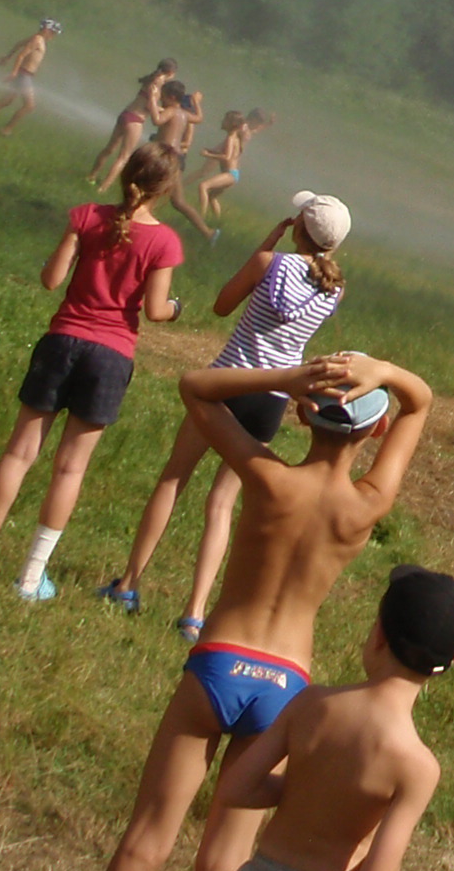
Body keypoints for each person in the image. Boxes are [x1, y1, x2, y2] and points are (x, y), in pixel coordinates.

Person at [104, 350, 435, 871]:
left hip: (217, 662)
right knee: (226, 858)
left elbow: (194, 386)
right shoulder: (365, 506)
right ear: (377, 430)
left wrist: (289, 377)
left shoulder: (266, 476)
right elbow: (420, 404)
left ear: (302, 413)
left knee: (145, 841)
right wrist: (388, 372)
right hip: (284, 685)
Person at [96, 194, 354, 632]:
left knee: (174, 478)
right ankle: (195, 614)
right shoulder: (334, 289)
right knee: (221, 503)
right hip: (272, 397)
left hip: (227, 383)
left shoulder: (269, 263)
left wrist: (264, 247)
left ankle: (129, 583)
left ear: (297, 228)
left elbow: (222, 305)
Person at [0, 144, 184, 600]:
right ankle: (31, 577)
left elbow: (51, 280)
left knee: (19, 454)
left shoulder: (86, 216)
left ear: (125, 174)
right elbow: (155, 309)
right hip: (110, 355)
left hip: (62, 339)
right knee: (69, 469)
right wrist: (176, 308)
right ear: (165, 189)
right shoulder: (164, 242)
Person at [214, 566, 454, 871]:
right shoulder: (417, 767)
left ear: (378, 636)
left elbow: (236, 788)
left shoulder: (312, 703)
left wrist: (303, 790)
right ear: (453, 658)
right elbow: (380, 869)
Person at [177, 107, 273, 240]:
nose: (258, 126)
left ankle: (201, 217)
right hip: (231, 170)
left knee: (203, 185)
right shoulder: (241, 130)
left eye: (225, 120)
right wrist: (213, 151)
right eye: (259, 122)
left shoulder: (236, 135)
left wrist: (208, 154)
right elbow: (231, 148)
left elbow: (228, 156)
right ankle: (217, 220)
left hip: (230, 172)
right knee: (211, 194)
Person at [91, 60, 177, 190]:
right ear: (171, 72)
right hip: (135, 120)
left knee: (109, 148)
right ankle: (103, 188)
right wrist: (165, 111)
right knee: (124, 156)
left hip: (126, 114)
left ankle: (91, 176)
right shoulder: (158, 84)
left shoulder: (152, 78)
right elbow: (149, 105)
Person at [0, 17, 61, 135]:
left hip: (25, 75)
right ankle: (7, 129)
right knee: (29, 106)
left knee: (6, 100)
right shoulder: (37, 40)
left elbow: (19, 44)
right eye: (52, 32)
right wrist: (14, 72)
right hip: (24, 75)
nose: (53, 36)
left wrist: (7, 57)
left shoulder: (37, 38)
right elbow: (21, 55)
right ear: (46, 29)